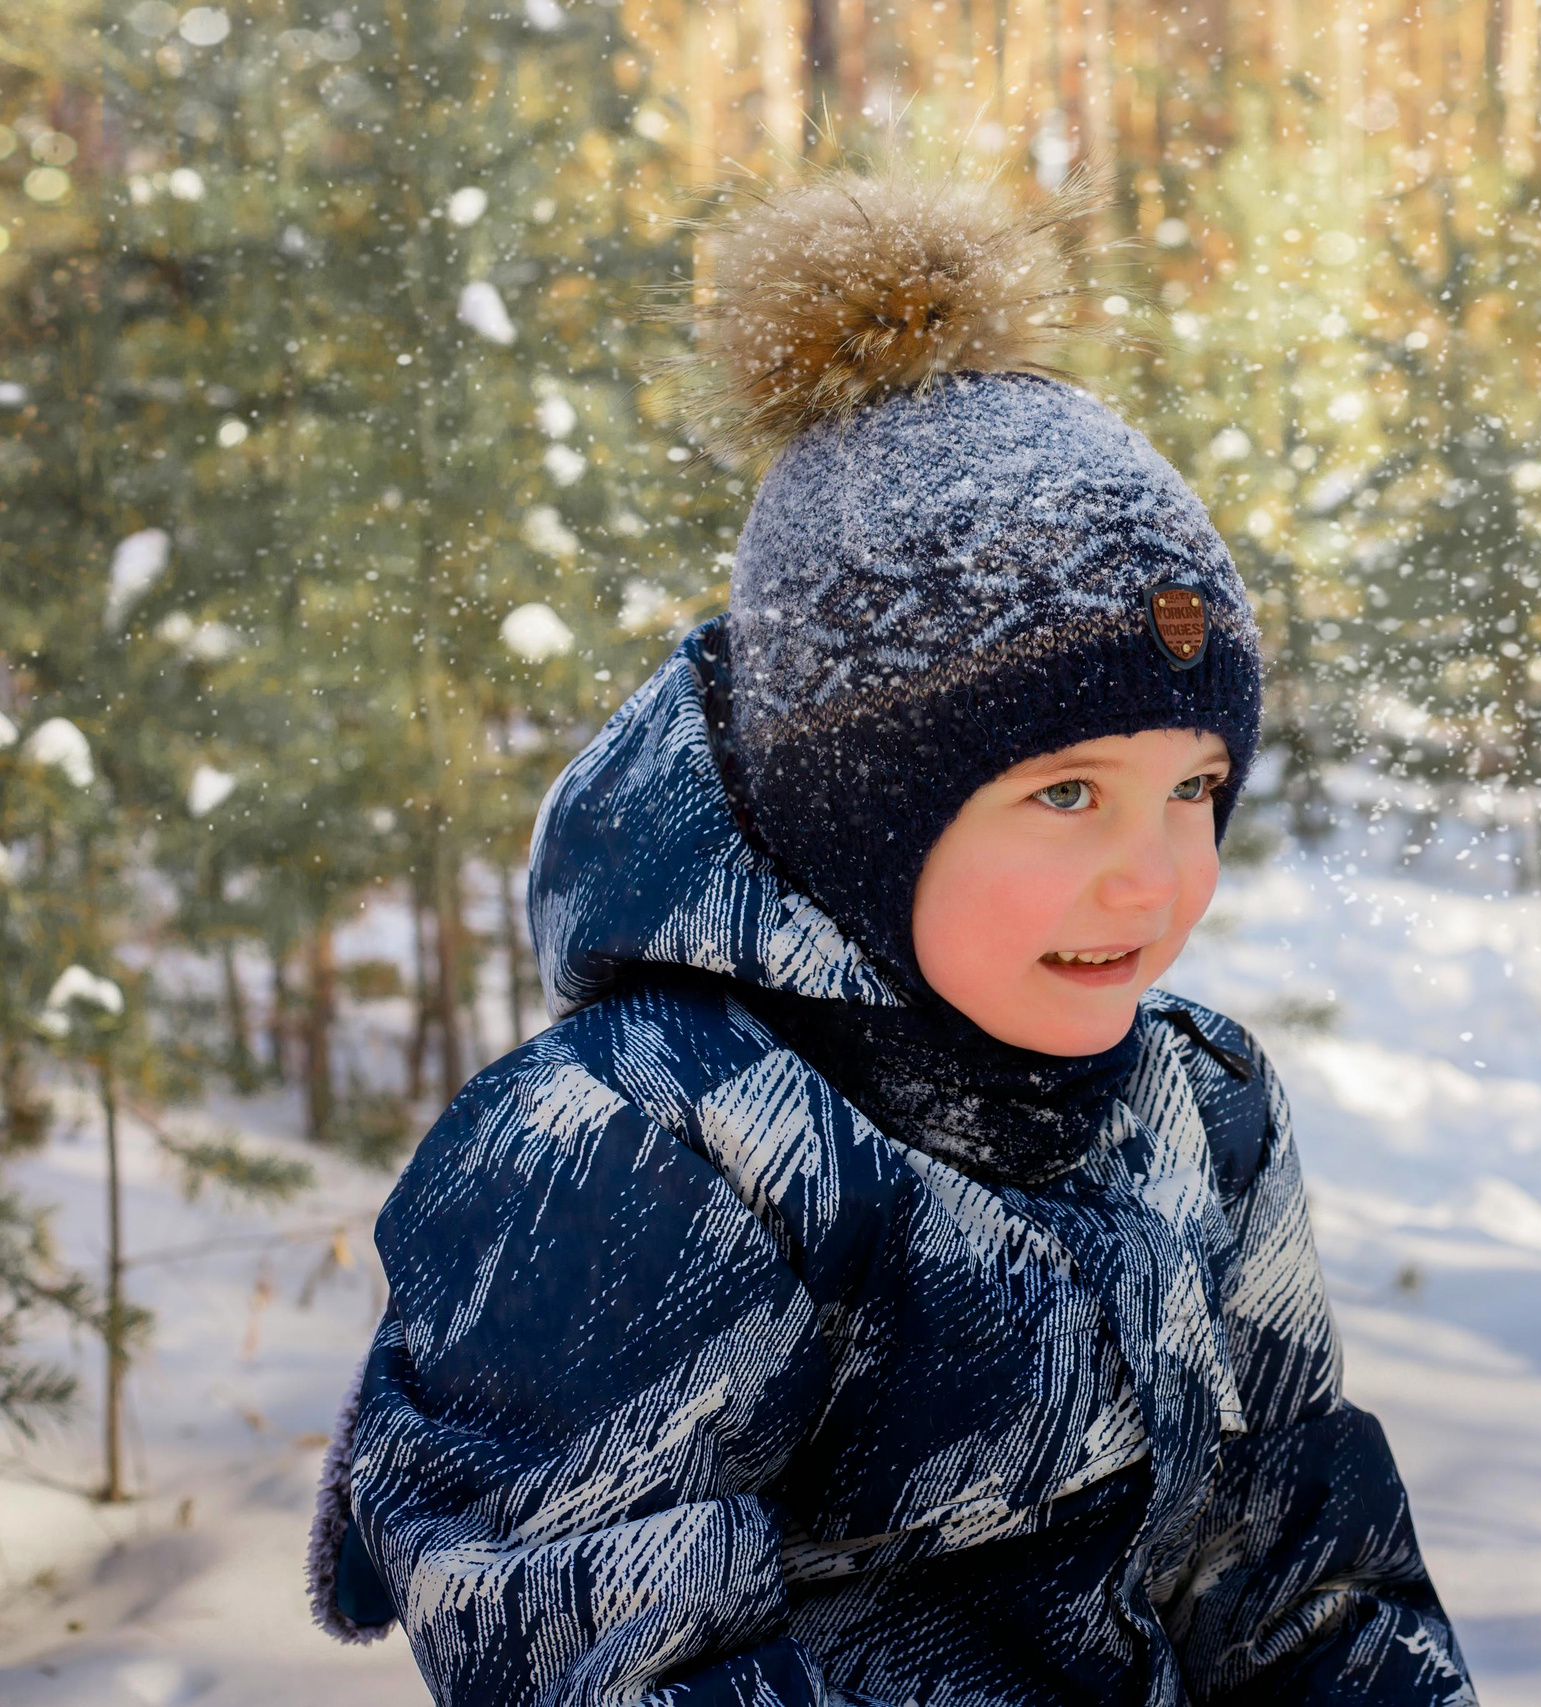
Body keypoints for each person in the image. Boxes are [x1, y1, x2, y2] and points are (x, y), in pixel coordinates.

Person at [301, 166, 1471, 1707]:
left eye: (1193, 789)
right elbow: (603, 1639)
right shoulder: (653, 1147)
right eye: (1067, 793)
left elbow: (1300, 1576)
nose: (1155, 879)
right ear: (861, 816)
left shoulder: (1199, 1105)